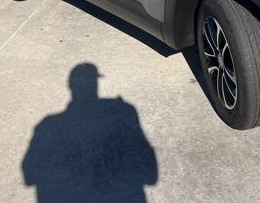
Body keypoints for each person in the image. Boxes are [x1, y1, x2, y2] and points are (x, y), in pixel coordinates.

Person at [22, 63, 158, 203]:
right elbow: (151, 175)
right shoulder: (124, 112)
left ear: (70, 86)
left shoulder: (46, 126)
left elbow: (29, 176)